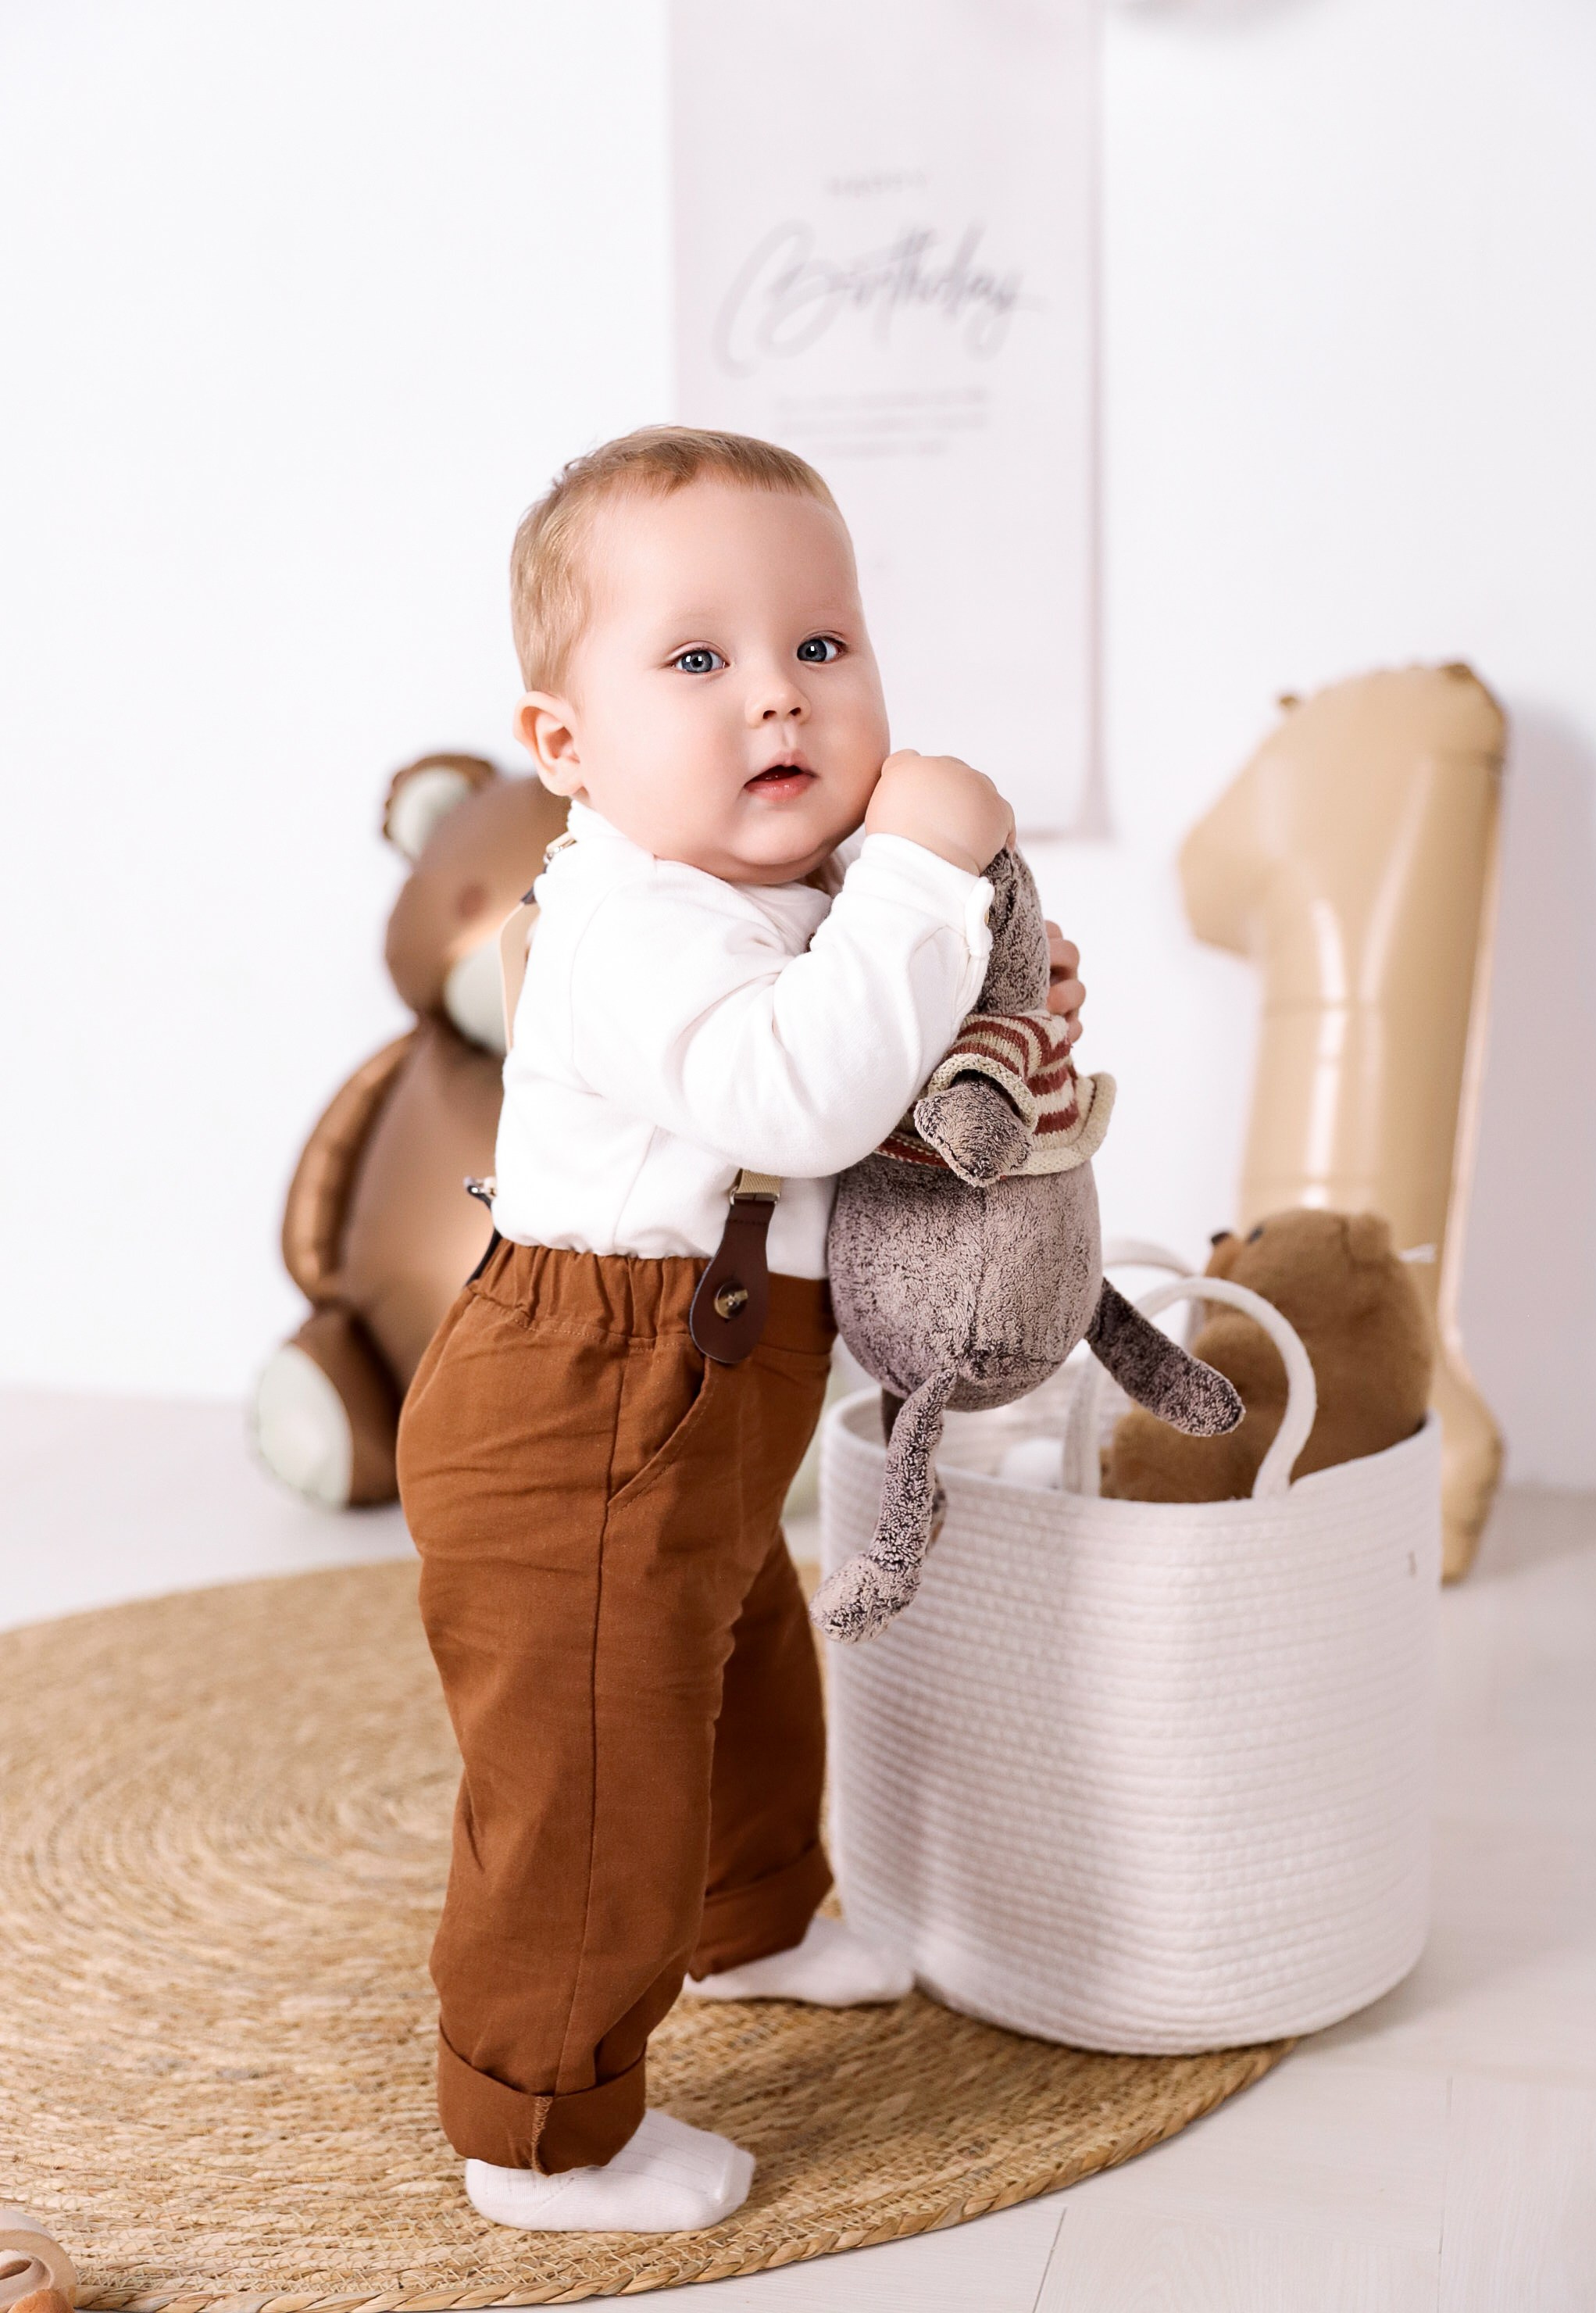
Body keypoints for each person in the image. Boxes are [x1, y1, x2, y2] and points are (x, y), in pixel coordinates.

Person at [397, 426, 1084, 2234]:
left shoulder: (791, 898)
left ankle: (751, 1916)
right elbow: (791, 1098)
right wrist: (930, 885)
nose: (774, 699)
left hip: (702, 1398)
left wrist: (993, 996)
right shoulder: (622, 924)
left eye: (821, 648)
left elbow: (876, 1074)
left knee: (740, 1661)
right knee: (592, 1765)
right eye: (695, 661)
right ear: (566, 746)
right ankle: (544, 2129)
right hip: (578, 1390)